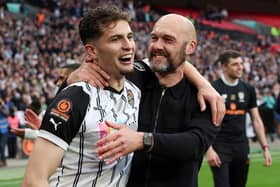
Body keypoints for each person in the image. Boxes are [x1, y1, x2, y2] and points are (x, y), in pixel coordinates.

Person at [69, 13, 223, 187]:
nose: (157, 46)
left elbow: (195, 145)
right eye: (154, 38)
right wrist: (75, 76)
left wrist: (143, 140)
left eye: (168, 40)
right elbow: (83, 86)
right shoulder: (133, 78)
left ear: (190, 47)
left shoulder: (205, 98)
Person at [22, 5, 141, 187]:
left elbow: (173, 59)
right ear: (92, 51)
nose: (128, 46)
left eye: (130, 37)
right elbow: (33, 181)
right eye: (116, 39)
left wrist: (202, 83)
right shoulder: (76, 97)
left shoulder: (136, 90)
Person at [206, 50, 272, 187]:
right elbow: (204, 122)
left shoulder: (248, 89)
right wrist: (209, 150)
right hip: (220, 147)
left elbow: (256, 120)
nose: (240, 67)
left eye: (241, 63)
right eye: (235, 64)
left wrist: (265, 148)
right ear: (224, 66)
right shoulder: (212, 89)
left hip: (242, 146)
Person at [11, 64, 81, 140]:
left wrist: (32, 133)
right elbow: (58, 136)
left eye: (62, 78)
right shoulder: (59, 107)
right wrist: (39, 130)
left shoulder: (83, 108)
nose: (57, 84)